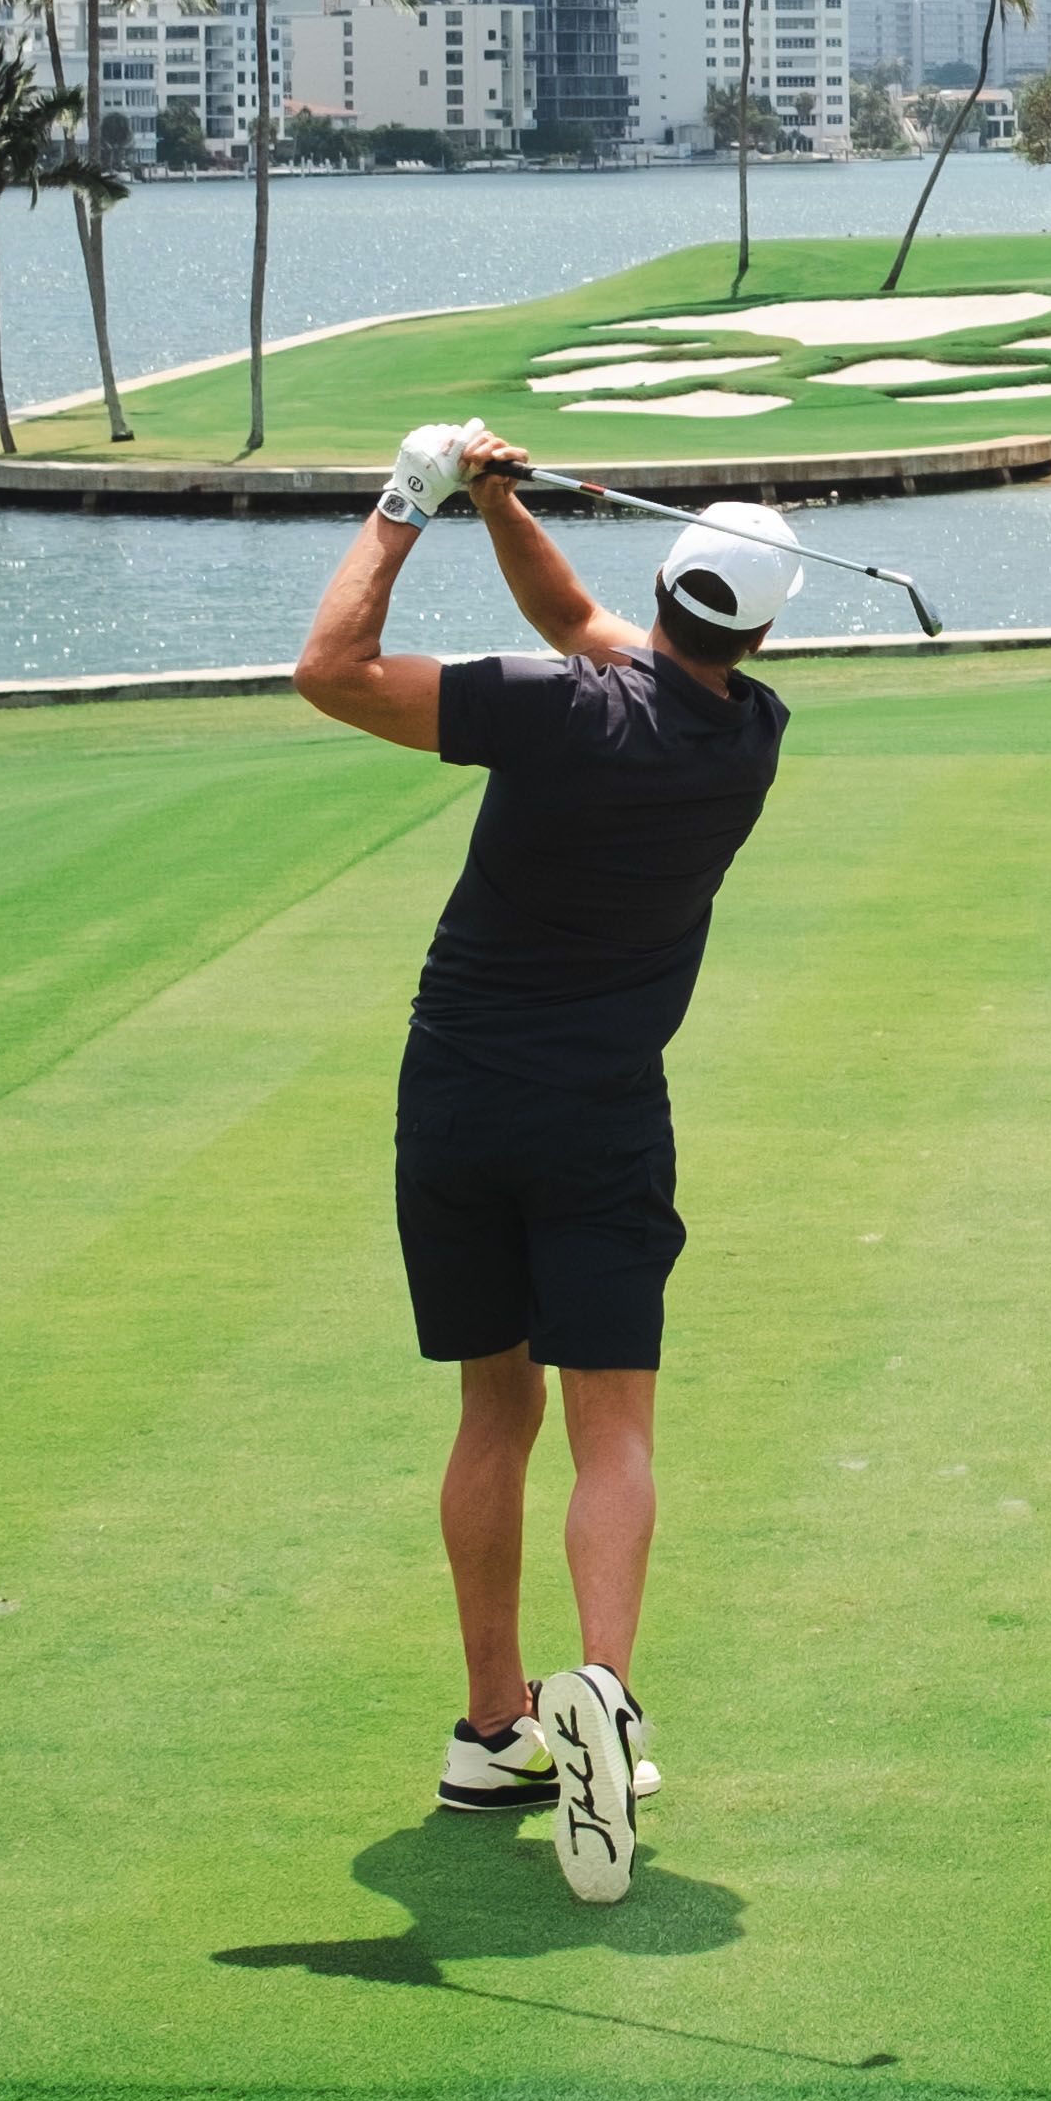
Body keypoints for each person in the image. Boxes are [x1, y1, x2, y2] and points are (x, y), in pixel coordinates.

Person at [294, 418, 798, 1905]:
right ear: (756, 626)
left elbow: (331, 669)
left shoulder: (546, 708)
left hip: (454, 1097)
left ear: (666, 580)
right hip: (599, 1113)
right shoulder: (748, 732)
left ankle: (492, 1725)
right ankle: (603, 1701)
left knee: (491, 1410)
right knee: (614, 1427)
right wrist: (504, 504)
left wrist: (413, 498)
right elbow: (587, 628)